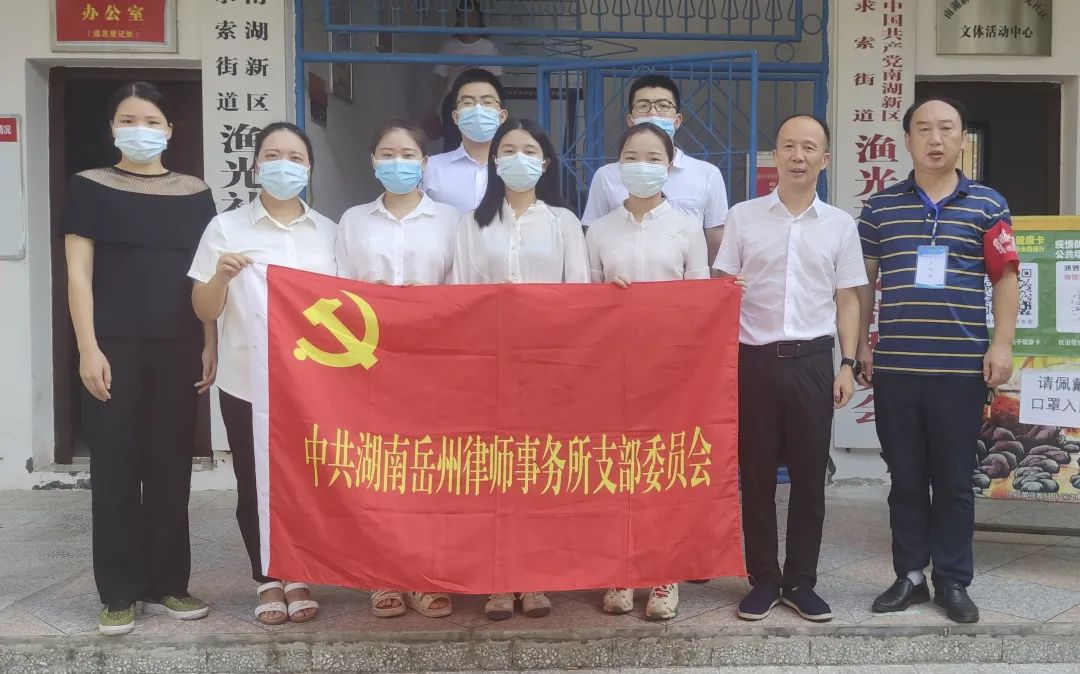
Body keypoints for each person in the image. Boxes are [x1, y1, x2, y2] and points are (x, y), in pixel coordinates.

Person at [858, 97, 1019, 624]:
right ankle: (909, 576)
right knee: (905, 479)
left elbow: (1006, 278)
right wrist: (860, 346)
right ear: (907, 139)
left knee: (953, 482)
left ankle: (952, 580)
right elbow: (864, 283)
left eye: (946, 128)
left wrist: (1001, 344)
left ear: (961, 139)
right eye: (923, 129)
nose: (935, 138)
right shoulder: (880, 208)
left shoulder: (988, 205)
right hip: (897, 369)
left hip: (959, 371)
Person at [64, 81, 216, 636]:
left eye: (151, 121)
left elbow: (204, 274)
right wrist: (87, 347)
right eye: (128, 120)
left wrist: (209, 340)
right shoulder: (89, 186)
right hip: (113, 346)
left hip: (179, 345)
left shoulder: (195, 193)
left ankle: (169, 583)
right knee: (116, 468)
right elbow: (78, 273)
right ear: (111, 128)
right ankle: (119, 591)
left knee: (171, 465)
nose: (140, 130)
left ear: (170, 130)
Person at [712, 114, 867, 623]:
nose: (798, 156)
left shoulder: (840, 225)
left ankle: (801, 581)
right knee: (755, 477)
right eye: (788, 146)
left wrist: (847, 364)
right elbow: (721, 289)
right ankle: (762, 579)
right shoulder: (743, 217)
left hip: (813, 363)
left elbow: (848, 299)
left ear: (825, 159)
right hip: (753, 361)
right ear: (775, 155)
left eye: (809, 148)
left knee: (808, 477)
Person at [189, 122, 336, 626]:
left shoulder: (329, 233)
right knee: (255, 481)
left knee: (307, 479)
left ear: (309, 168)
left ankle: (300, 571)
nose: (283, 165)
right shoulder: (226, 229)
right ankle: (269, 577)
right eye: (272, 156)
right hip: (245, 378)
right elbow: (204, 307)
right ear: (255, 167)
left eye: (295, 157)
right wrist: (221, 275)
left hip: (314, 385)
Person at [450, 118, 587, 620]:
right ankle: (497, 578)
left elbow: (580, 296)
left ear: (545, 163)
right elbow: (459, 295)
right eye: (508, 149)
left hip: (547, 366)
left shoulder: (564, 223)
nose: (518, 158)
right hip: (487, 366)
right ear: (494, 161)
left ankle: (534, 575)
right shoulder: (471, 223)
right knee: (492, 471)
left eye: (529, 150)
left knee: (536, 469)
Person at [336, 121, 459, 618]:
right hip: (371, 360)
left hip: (434, 361)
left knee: (427, 467)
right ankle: (383, 574)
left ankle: (426, 574)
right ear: (372, 162)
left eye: (408, 154)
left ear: (425, 164)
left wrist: (427, 306)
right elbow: (338, 290)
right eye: (387, 153)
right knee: (380, 468)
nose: (398, 162)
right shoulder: (353, 220)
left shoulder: (451, 220)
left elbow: (464, 290)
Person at [586, 122, 708, 621]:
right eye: (631, 157)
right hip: (610, 368)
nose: (642, 166)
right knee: (614, 469)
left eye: (653, 158)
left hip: (671, 371)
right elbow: (581, 302)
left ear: (669, 166)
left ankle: (663, 574)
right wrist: (605, 296)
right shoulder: (599, 230)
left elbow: (701, 301)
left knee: (663, 471)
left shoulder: (686, 228)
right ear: (618, 166)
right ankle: (619, 570)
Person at [581, 74, 728, 263]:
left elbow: (716, 246)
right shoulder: (606, 176)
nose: (653, 113)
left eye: (663, 105)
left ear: (677, 120)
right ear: (630, 120)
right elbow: (593, 240)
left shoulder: (707, 174)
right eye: (643, 106)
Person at [424, 68, 509, 214]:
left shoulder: (518, 167)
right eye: (468, 102)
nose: (478, 109)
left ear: (502, 116)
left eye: (487, 102)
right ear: (456, 117)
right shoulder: (430, 168)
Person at [429, 1, 502, 153]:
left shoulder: (487, 47)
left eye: (472, 15)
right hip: (453, 101)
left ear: (479, 18)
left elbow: (496, 81)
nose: (468, 19)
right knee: (452, 144)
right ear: (458, 18)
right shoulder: (449, 47)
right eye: (464, 15)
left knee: (481, 144)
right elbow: (441, 80)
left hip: (482, 102)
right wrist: (432, 109)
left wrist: (498, 106)